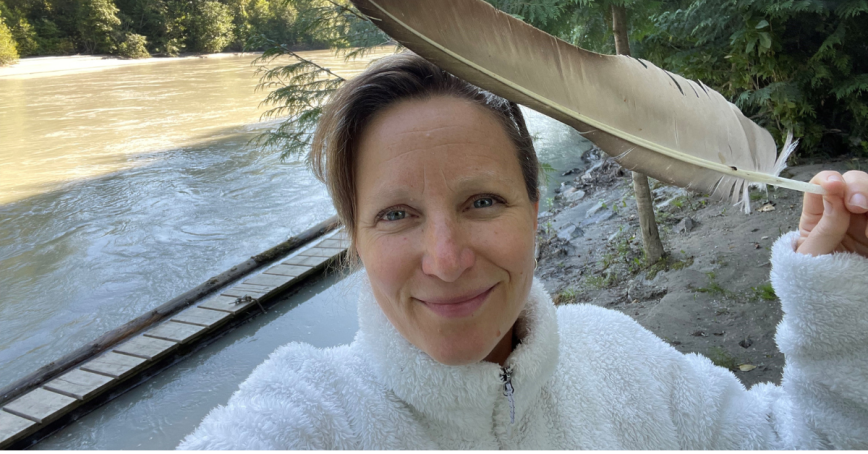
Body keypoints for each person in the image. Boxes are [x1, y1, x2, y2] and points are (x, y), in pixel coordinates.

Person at [177, 52, 868, 449]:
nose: (446, 259)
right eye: (396, 214)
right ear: (355, 239)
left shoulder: (622, 357)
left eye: (482, 202)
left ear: (535, 212)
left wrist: (840, 299)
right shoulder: (309, 411)